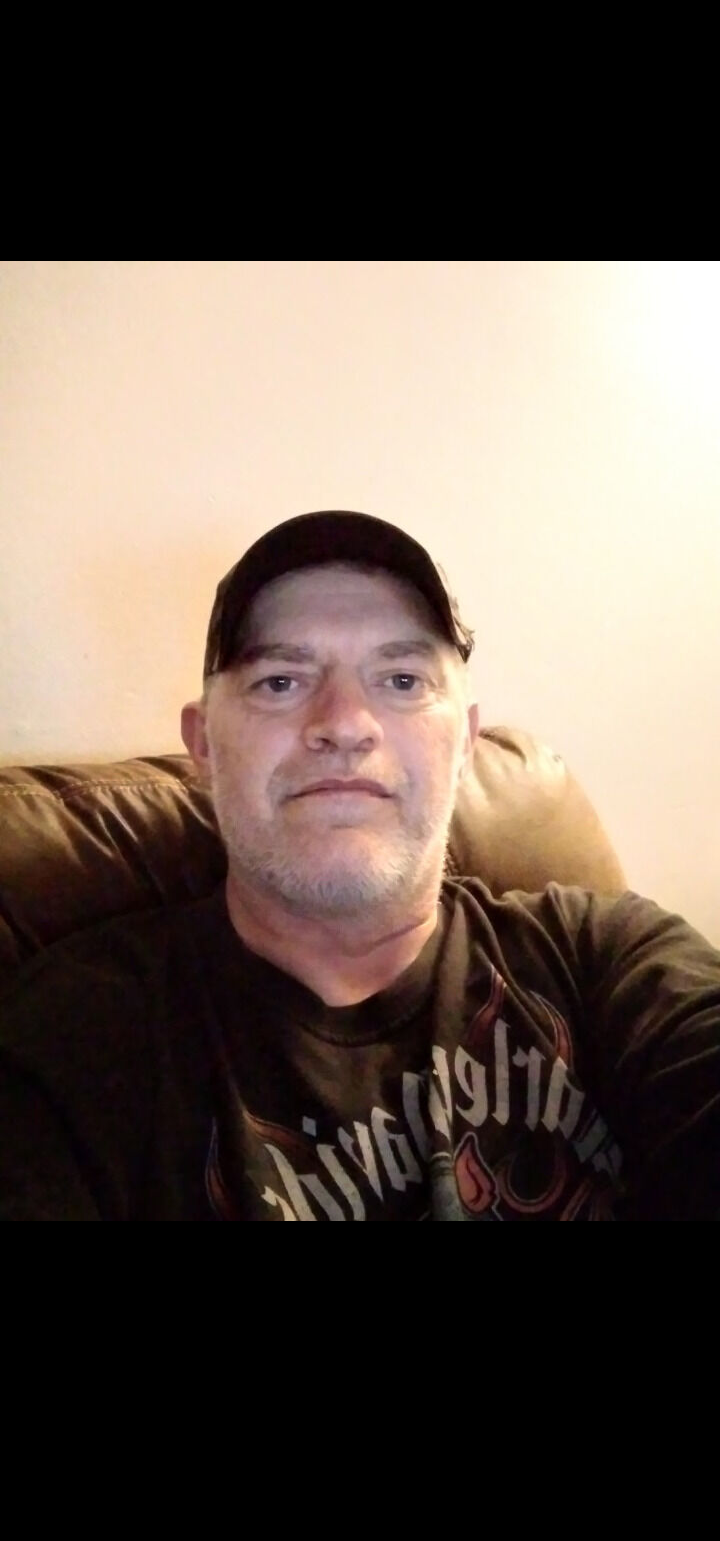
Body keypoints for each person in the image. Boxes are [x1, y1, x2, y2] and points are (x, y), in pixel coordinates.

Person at [1, 510, 719, 1220]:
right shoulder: (70, 1041)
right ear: (205, 745)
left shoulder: (607, 962)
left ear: (465, 744)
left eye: (402, 680)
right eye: (280, 681)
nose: (344, 724)